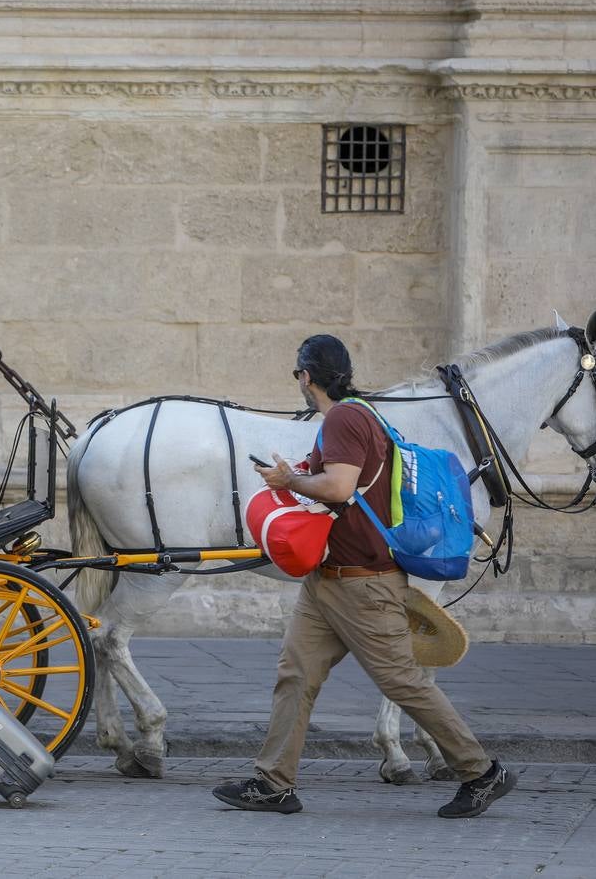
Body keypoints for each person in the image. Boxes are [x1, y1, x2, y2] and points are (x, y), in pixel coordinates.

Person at [212, 335, 516, 819]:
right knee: (295, 674)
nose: (298, 382)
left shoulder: (345, 418)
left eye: (298, 374)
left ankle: (481, 772)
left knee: (402, 681)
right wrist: (297, 473)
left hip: (364, 583)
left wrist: (291, 482)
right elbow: (335, 481)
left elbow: (338, 486)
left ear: (307, 375)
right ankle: (273, 783)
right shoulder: (356, 416)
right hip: (328, 580)